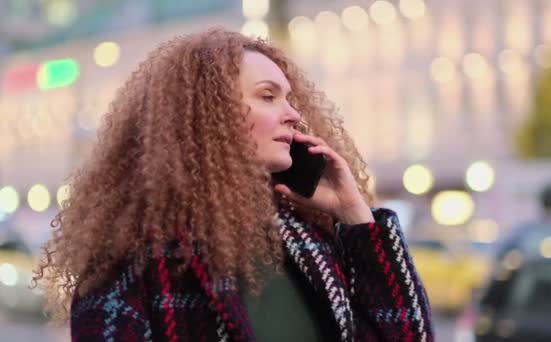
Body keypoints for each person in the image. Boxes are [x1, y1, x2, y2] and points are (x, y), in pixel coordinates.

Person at [34, 28, 433, 342]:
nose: (293, 114)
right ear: (210, 113)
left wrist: (358, 217)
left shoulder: (313, 239)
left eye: (290, 98)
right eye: (268, 96)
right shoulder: (132, 260)